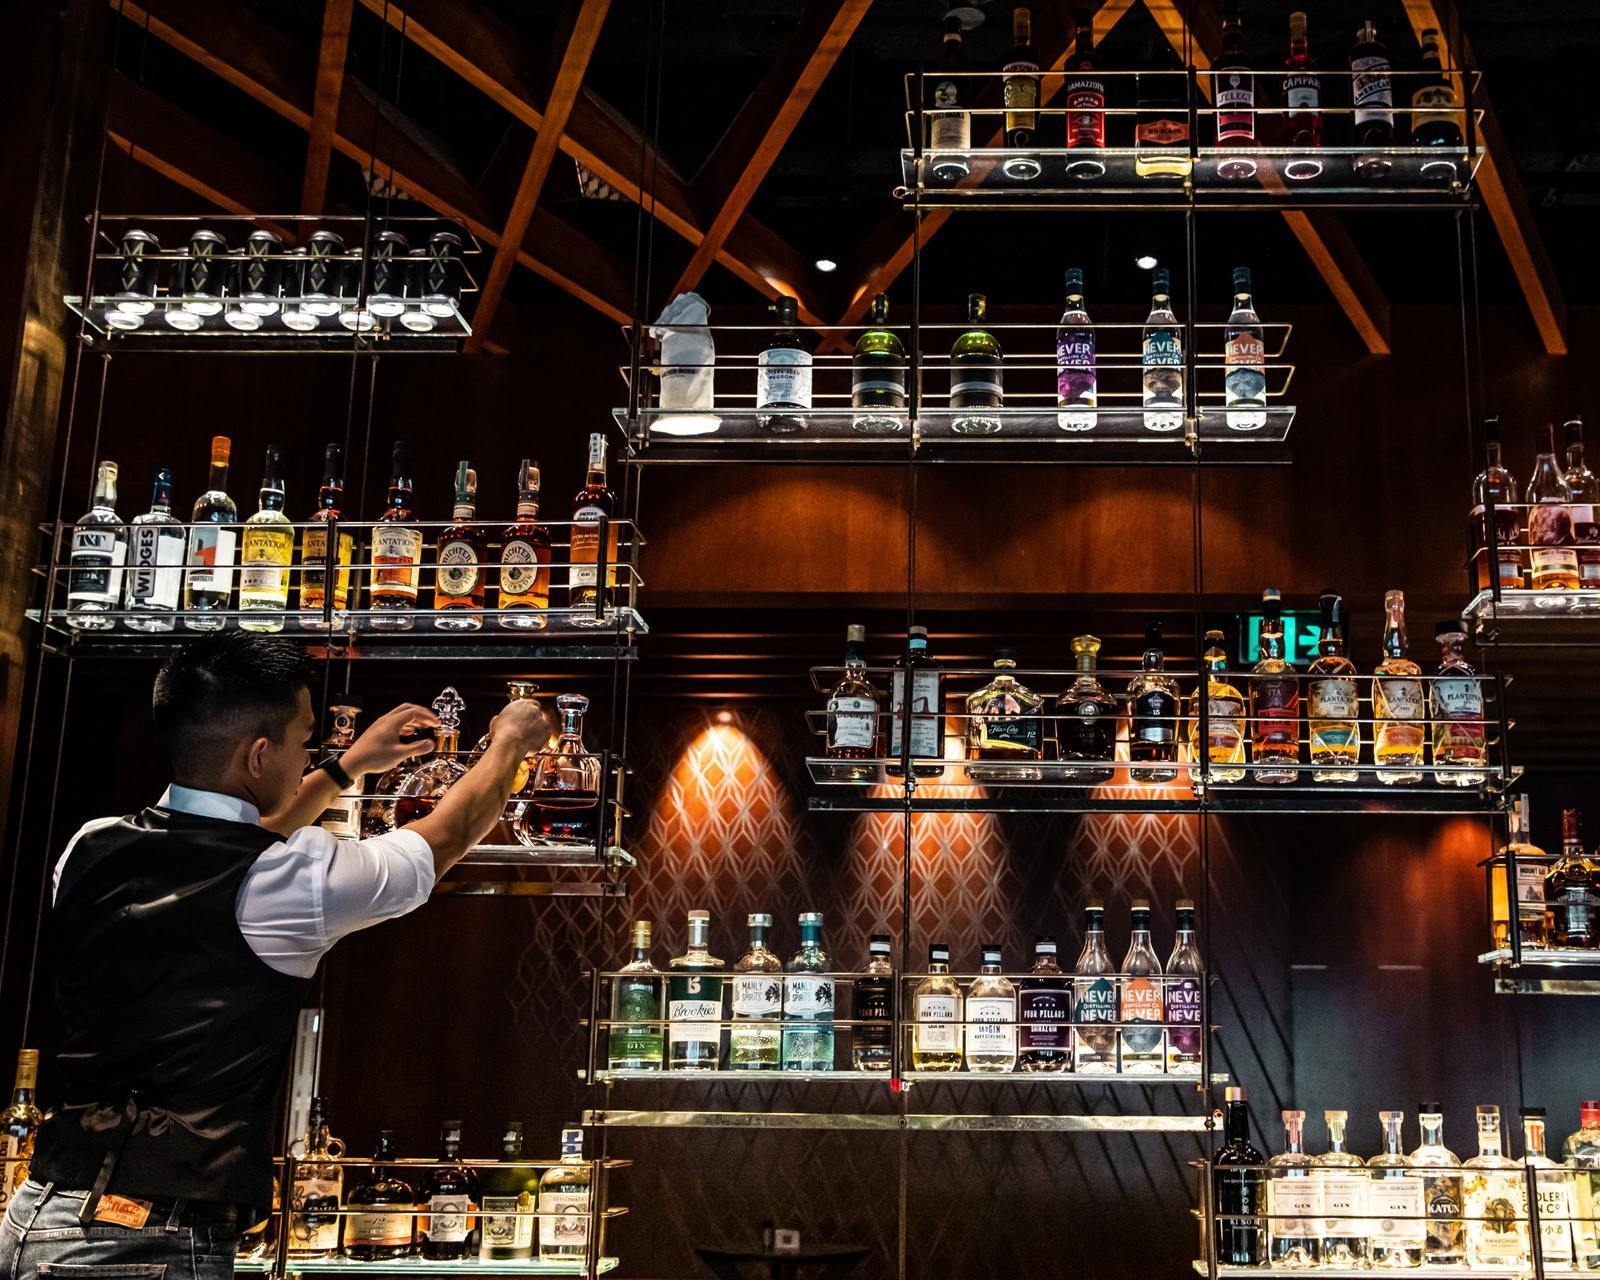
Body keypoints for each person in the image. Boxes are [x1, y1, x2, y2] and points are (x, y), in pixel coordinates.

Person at [0, 632, 550, 1280]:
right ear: (259, 755)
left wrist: (348, 767)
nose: (308, 756)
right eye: (304, 742)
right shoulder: (291, 880)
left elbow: (234, 840)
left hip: (35, 1211)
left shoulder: (87, 847)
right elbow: (447, 835)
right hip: (140, 1240)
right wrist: (512, 738)